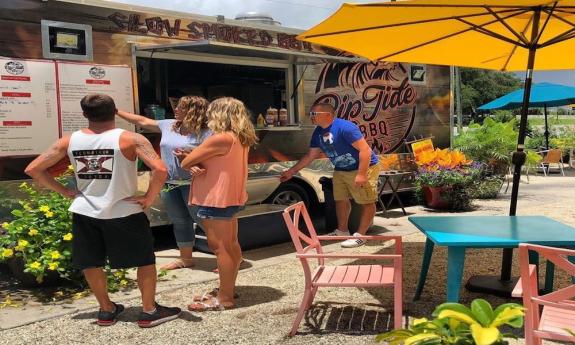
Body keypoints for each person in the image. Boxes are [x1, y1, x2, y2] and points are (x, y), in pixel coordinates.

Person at [25, 94, 181, 327]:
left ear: (85, 114)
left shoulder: (69, 141)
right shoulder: (131, 139)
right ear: (114, 111)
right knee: (145, 261)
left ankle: (106, 310)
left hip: (85, 211)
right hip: (124, 211)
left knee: (92, 262)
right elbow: (160, 170)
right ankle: (149, 311)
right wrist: (148, 197)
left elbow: (34, 169)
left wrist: (64, 191)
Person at [179, 97, 257, 311]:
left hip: (215, 199)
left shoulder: (220, 138)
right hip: (231, 197)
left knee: (220, 248)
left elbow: (186, 162)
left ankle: (225, 298)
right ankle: (227, 289)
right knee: (231, 245)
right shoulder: (240, 137)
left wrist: (188, 158)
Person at [116, 96, 211, 270]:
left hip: (194, 183)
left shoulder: (207, 132)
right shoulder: (169, 125)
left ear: (193, 111)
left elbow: (214, 158)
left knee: (205, 221)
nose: (175, 109)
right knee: (179, 221)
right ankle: (186, 259)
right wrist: (115, 111)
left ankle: (230, 256)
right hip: (169, 183)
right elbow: (142, 120)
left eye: (181, 107)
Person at [280, 103, 380, 248]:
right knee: (340, 200)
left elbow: (365, 150)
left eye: (314, 114)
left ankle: (361, 236)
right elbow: (310, 155)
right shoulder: (318, 132)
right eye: (311, 114)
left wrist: (362, 174)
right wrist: (291, 171)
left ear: (328, 114)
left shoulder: (345, 127)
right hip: (341, 168)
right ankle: (342, 231)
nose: (311, 117)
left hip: (363, 167)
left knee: (366, 202)